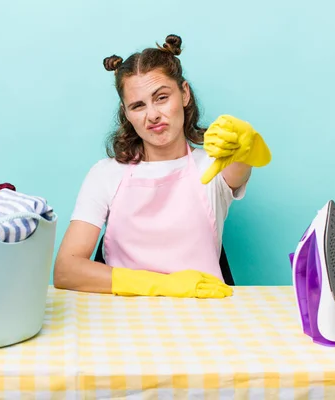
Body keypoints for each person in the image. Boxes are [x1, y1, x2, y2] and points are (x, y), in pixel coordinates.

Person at [53, 34, 271, 298]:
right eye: (138, 105)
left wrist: (247, 143)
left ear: (185, 94)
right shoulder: (106, 174)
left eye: (162, 97)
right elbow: (66, 270)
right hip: (121, 318)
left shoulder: (214, 165)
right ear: (126, 113)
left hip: (207, 315)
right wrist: (161, 285)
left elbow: (243, 162)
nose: (153, 115)